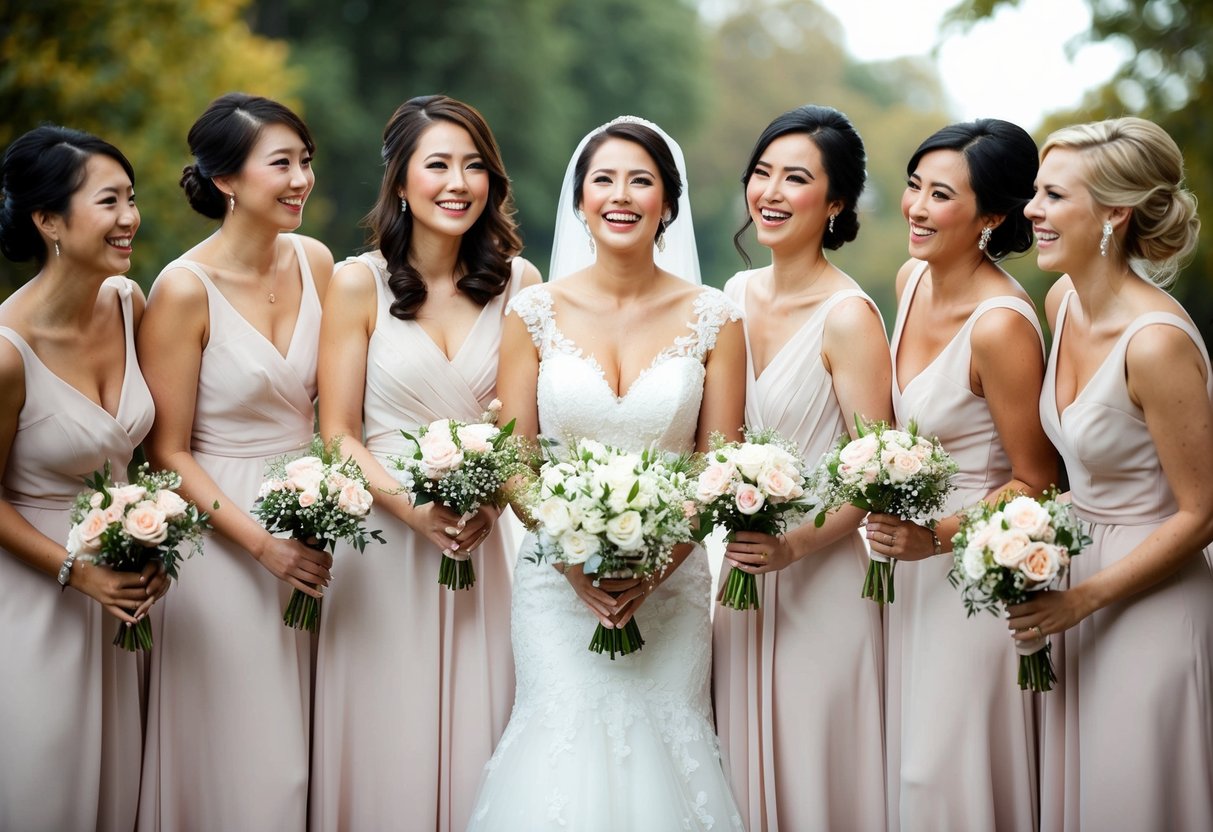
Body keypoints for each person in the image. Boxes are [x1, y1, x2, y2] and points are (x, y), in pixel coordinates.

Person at [467, 117, 746, 831]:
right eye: (604, 180)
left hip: (672, 587)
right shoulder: (532, 313)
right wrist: (573, 561)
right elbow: (516, 461)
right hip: (555, 588)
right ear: (581, 200)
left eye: (640, 181)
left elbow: (716, 467)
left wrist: (653, 568)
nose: (621, 195)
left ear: (668, 203)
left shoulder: (716, 318)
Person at [311, 94, 538, 832]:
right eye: (437, 164)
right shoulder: (357, 282)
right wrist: (414, 511)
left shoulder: (521, 285)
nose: (458, 183)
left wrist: (488, 503)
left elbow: (522, 434)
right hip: (382, 545)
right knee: (387, 744)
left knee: (482, 736)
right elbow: (338, 434)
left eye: (474, 166)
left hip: (478, 544)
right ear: (401, 182)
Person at [136, 93, 333, 831]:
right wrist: (261, 545)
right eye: (281, 163)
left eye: (305, 161)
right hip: (223, 536)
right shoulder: (183, 289)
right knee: (253, 759)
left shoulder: (316, 261)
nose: (300, 179)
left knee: (307, 743)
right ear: (225, 180)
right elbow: (166, 451)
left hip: (315, 527)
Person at [1016, 116, 1213, 831]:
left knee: (1133, 799)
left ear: (1113, 214)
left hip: (1147, 597)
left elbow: (1202, 512)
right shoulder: (1061, 303)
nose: (1031, 210)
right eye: (1036, 191)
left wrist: (1084, 599)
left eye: (1053, 196)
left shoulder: (1155, 344)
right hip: (1073, 584)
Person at [865, 119, 1057, 832]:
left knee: (943, 772)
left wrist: (937, 535)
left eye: (940, 195)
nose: (916, 207)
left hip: (971, 573)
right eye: (914, 186)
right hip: (902, 573)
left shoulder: (1000, 326)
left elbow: (1038, 479)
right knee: (905, 765)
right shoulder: (910, 279)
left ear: (992, 217)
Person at [710, 104, 891, 832]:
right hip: (739, 578)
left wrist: (793, 545)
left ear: (836, 202)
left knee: (815, 778)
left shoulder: (848, 316)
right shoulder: (730, 298)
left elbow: (876, 473)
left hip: (820, 582)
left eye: (796, 178)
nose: (771, 193)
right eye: (762, 173)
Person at [0, 125, 163, 831]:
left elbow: (148, 460)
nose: (130, 218)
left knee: (117, 797)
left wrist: (155, 541)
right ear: (49, 221)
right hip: (35, 603)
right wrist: (78, 571)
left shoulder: (129, 303)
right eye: (109, 201)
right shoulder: (7, 353)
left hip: (122, 603)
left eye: (131, 198)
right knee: (46, 793)